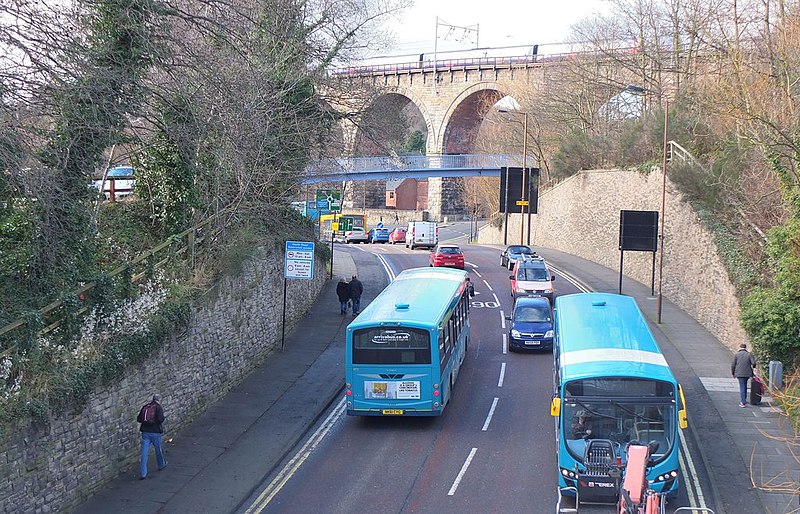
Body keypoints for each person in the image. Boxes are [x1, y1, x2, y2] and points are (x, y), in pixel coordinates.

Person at [137, 394, 167, 479]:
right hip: (155, 433)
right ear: (159, 400)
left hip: (145, 433)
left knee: (144, 453)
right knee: (158, 450)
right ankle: (161, 465)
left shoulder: (145, 407)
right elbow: (161, 419)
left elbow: (139, 419)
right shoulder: (158, 407)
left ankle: (143, 473)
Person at [732, 342, 756, 407]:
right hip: (747, 373)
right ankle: (744, 399)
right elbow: (753, 363)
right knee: (744, 386)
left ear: (740, 347)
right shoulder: (749, 354)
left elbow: (733, 365)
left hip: (739, 373)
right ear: (745, 348)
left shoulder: (737, 355)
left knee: (742, 386)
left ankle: (743, 402)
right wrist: (753, 368)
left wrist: (733, 373)